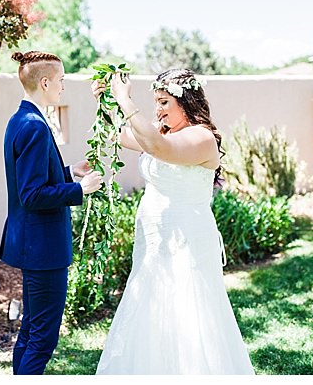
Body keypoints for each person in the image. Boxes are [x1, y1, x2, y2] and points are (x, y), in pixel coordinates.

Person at [92, 68, 254, 374]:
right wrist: (105, 101)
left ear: (186, 101)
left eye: (164, 101)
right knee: (153, 308)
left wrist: (126, 101)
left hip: (186, 241)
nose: (158, 109)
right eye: (155, 102)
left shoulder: (201, 137)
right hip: (154, 242)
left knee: (186, 312)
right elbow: (127, 135)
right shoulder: (164, 132)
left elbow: (158, 148)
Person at [0, 50, 103, 375]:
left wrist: (69, 172)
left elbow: (33, 179)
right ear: (44, 82)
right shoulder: (34, 127)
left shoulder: (22, 119)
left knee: (31, 330)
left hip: (35, 246)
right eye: (60, 81)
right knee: (42, 338)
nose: (62, 87)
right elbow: (31, 195)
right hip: (43, 249)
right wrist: (79, 190)